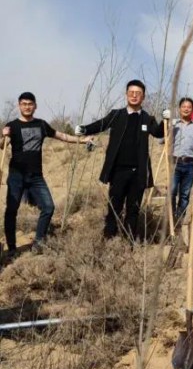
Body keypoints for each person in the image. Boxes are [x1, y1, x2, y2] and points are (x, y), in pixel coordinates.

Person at [1, 92, 94, 255]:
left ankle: (38, 243)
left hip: (36, 176)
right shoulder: (13, 125)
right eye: (24, 104)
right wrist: (3, 136)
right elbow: (2, 146)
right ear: (19, 106)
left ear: (35, 106)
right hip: (16, 175)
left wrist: (83, 140)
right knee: (11, 210)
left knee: (48, 207)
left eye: (30, 104)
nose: (27, 106)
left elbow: (61, 136)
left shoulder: (41, 125)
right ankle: (12, 248)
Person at [75, 80, 166, 241]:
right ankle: (109, 238)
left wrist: (166, 122)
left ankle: (129, 241)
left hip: (138, 173)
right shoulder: (116, 115)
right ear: (126, 95)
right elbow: (101, 124)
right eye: (131, 92)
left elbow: (158, 133)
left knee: (133, 209)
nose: (134, 96)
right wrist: (84, 129)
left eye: (138, 93)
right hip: (118, 171)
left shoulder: (147, 118)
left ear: (143, 97)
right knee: (114, 206)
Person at [170, 97, 193, 225]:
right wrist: (167, 126)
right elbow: (161, 140)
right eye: (184, 106)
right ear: (179, 108)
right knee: (171, 192)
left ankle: (179, 219)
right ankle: (171, 219)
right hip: (175, 163)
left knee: (185, 195)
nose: (186, 109)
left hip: (191, 164)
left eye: (189, 107)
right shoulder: (174, 124)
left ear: (192, 109)